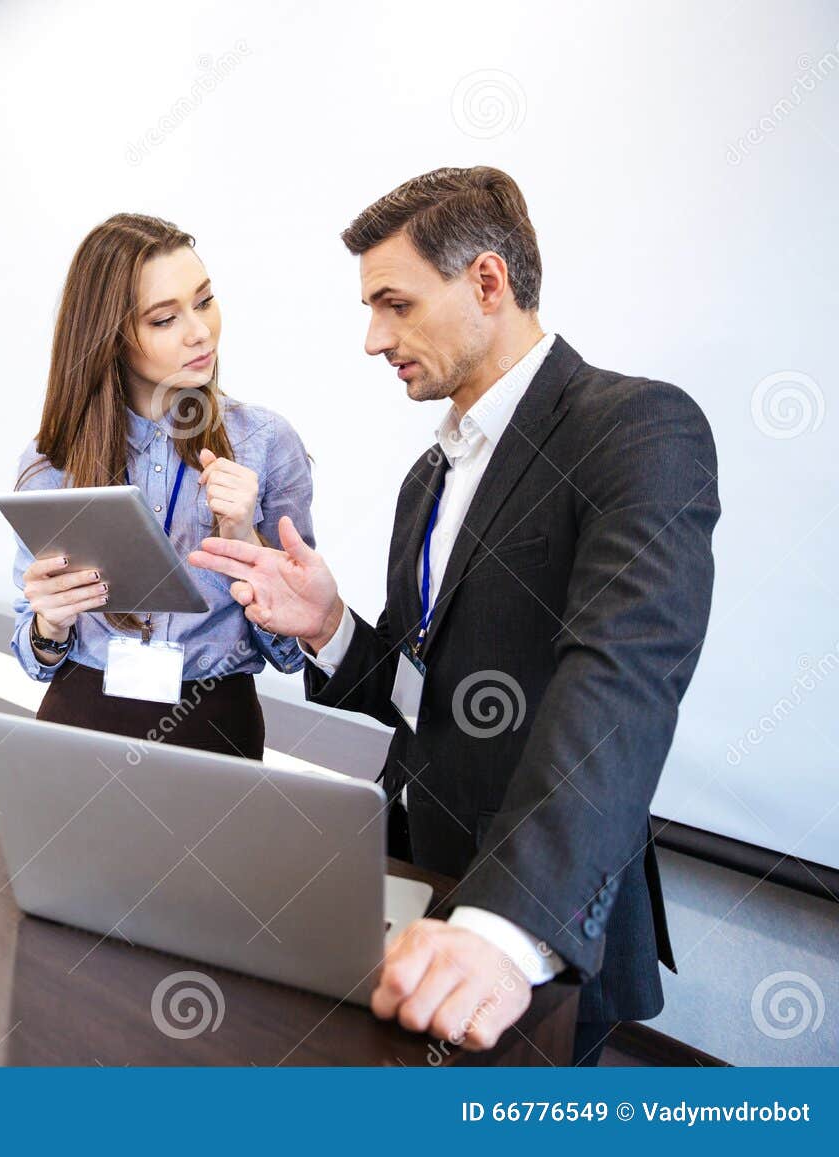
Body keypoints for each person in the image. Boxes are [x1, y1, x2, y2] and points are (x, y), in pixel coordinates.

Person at [188, 167, 719, 1065]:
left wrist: (507, 927)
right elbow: (422, 685)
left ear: (486, 281)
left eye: (394, 304)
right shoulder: (426, 479)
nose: (372, 339)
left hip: (541, 919)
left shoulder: (635, 428)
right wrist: (330, 628)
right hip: (419, 875)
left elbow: (621, 680)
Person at [10, 213, 314, 759]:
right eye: (163, 319)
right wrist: (49, 623)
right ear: (111, 338)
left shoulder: (267, 442)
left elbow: (296, 652)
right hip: (81, 714)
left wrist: (247, 542)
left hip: (216, 723)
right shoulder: (52, 460)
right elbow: (35, 660)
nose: (200, 332)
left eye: (204, 301)